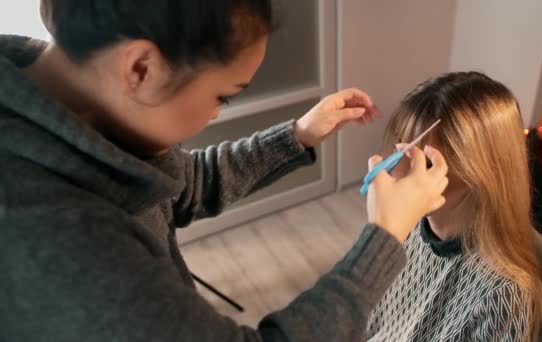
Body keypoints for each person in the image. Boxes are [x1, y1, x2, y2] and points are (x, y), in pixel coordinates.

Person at [0, 1, 449, 341]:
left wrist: (299, 135)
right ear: (141, 68)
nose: (216, 115)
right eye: (224, 96)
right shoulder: (55, 239)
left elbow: (184, 187)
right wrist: (386, 235)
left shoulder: (76, 113)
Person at [365, 72, 542, 342]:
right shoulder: (408, 227)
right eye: (400, 152)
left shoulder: (502, 294)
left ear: (480, 172)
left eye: (423, 162)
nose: (397, 173)